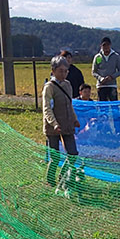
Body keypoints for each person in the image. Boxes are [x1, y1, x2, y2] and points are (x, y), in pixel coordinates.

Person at [41, 56, 78, 192]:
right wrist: (54, 124)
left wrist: (74, 118)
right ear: (53, 71)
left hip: (67, 124)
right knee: (55, 156)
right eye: (61, 71)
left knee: (72, 154)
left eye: (65, 71)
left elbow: (70, 104)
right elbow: (47, 108)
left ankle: (63, 178)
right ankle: (50, 181)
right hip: (53, 127)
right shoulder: (49, 87)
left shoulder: (67, 85)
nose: (63, 74)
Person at [91, 36, 120, 135]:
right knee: (102, 110)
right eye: (104, 45)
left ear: (110, 45)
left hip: (112, 86)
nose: (106, 48)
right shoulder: (97, 57)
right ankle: (103, 130)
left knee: (114, 109)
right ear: (101, 46)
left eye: (107, 45)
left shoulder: (116, 56)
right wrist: (100, 79)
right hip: (101, 86)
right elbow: (93, 72)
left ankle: (118, 130)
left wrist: (112, 77)